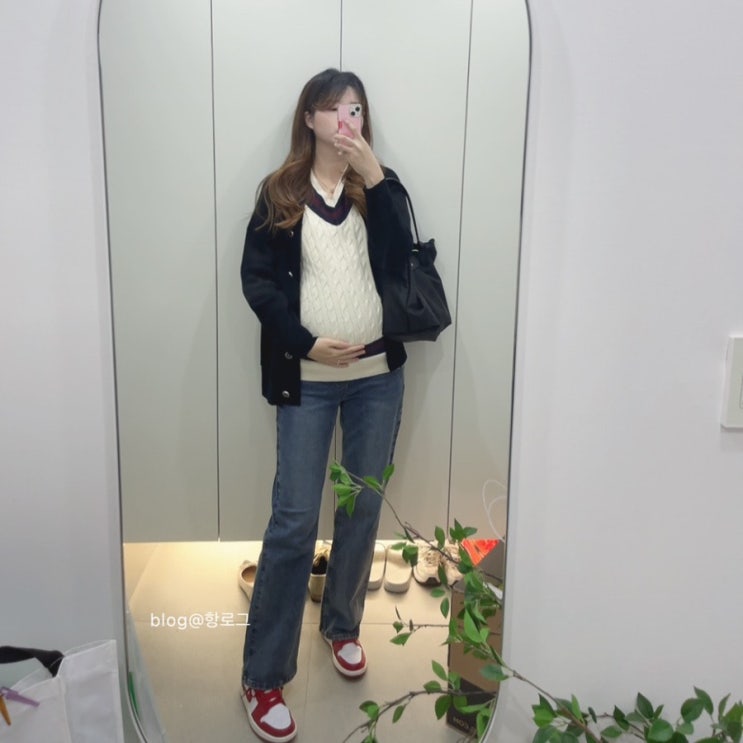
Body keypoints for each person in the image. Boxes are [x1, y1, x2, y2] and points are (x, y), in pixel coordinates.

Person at [239, 68, 415, 743]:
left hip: (376, 379)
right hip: (306, 380)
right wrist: (306, 343)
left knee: (361, 506)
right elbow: (257, 282)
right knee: (293, 520)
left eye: (358, 110)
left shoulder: (380, 189)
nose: (348, 120)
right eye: (336, 108)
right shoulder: (280, 191)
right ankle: (263, 675)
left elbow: (401, 263)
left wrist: (376, 175)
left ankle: (341, 625)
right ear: (310, 117)